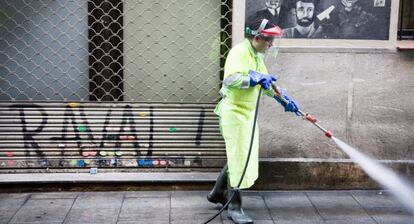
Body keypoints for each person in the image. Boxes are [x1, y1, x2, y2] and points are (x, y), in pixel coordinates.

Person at [207, 15, 300, 224]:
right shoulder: (239, 52)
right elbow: (230, 79)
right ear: (256, 37)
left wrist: (284, 99)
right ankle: (235, 207)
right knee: (239, 158)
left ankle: (216, 193)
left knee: (239, 156)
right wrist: (254, 78)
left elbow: (267, 85)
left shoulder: (257, 56)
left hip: (247, 115)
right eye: (268, 40)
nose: (271, 44)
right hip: (234, 113)